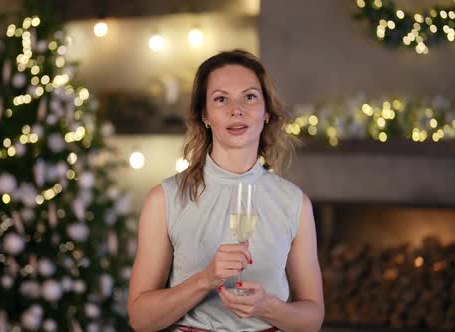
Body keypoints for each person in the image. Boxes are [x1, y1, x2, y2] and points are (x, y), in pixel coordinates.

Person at [127, 49, 324, 332]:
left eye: (250, 96)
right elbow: (141, 319)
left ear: (266, 111)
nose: (237, 110)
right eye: (221, 99)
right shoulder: (164, 200)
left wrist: (266, 307)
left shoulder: (295, 203)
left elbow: (313, 319)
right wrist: (206, 279)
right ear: (204, 115)